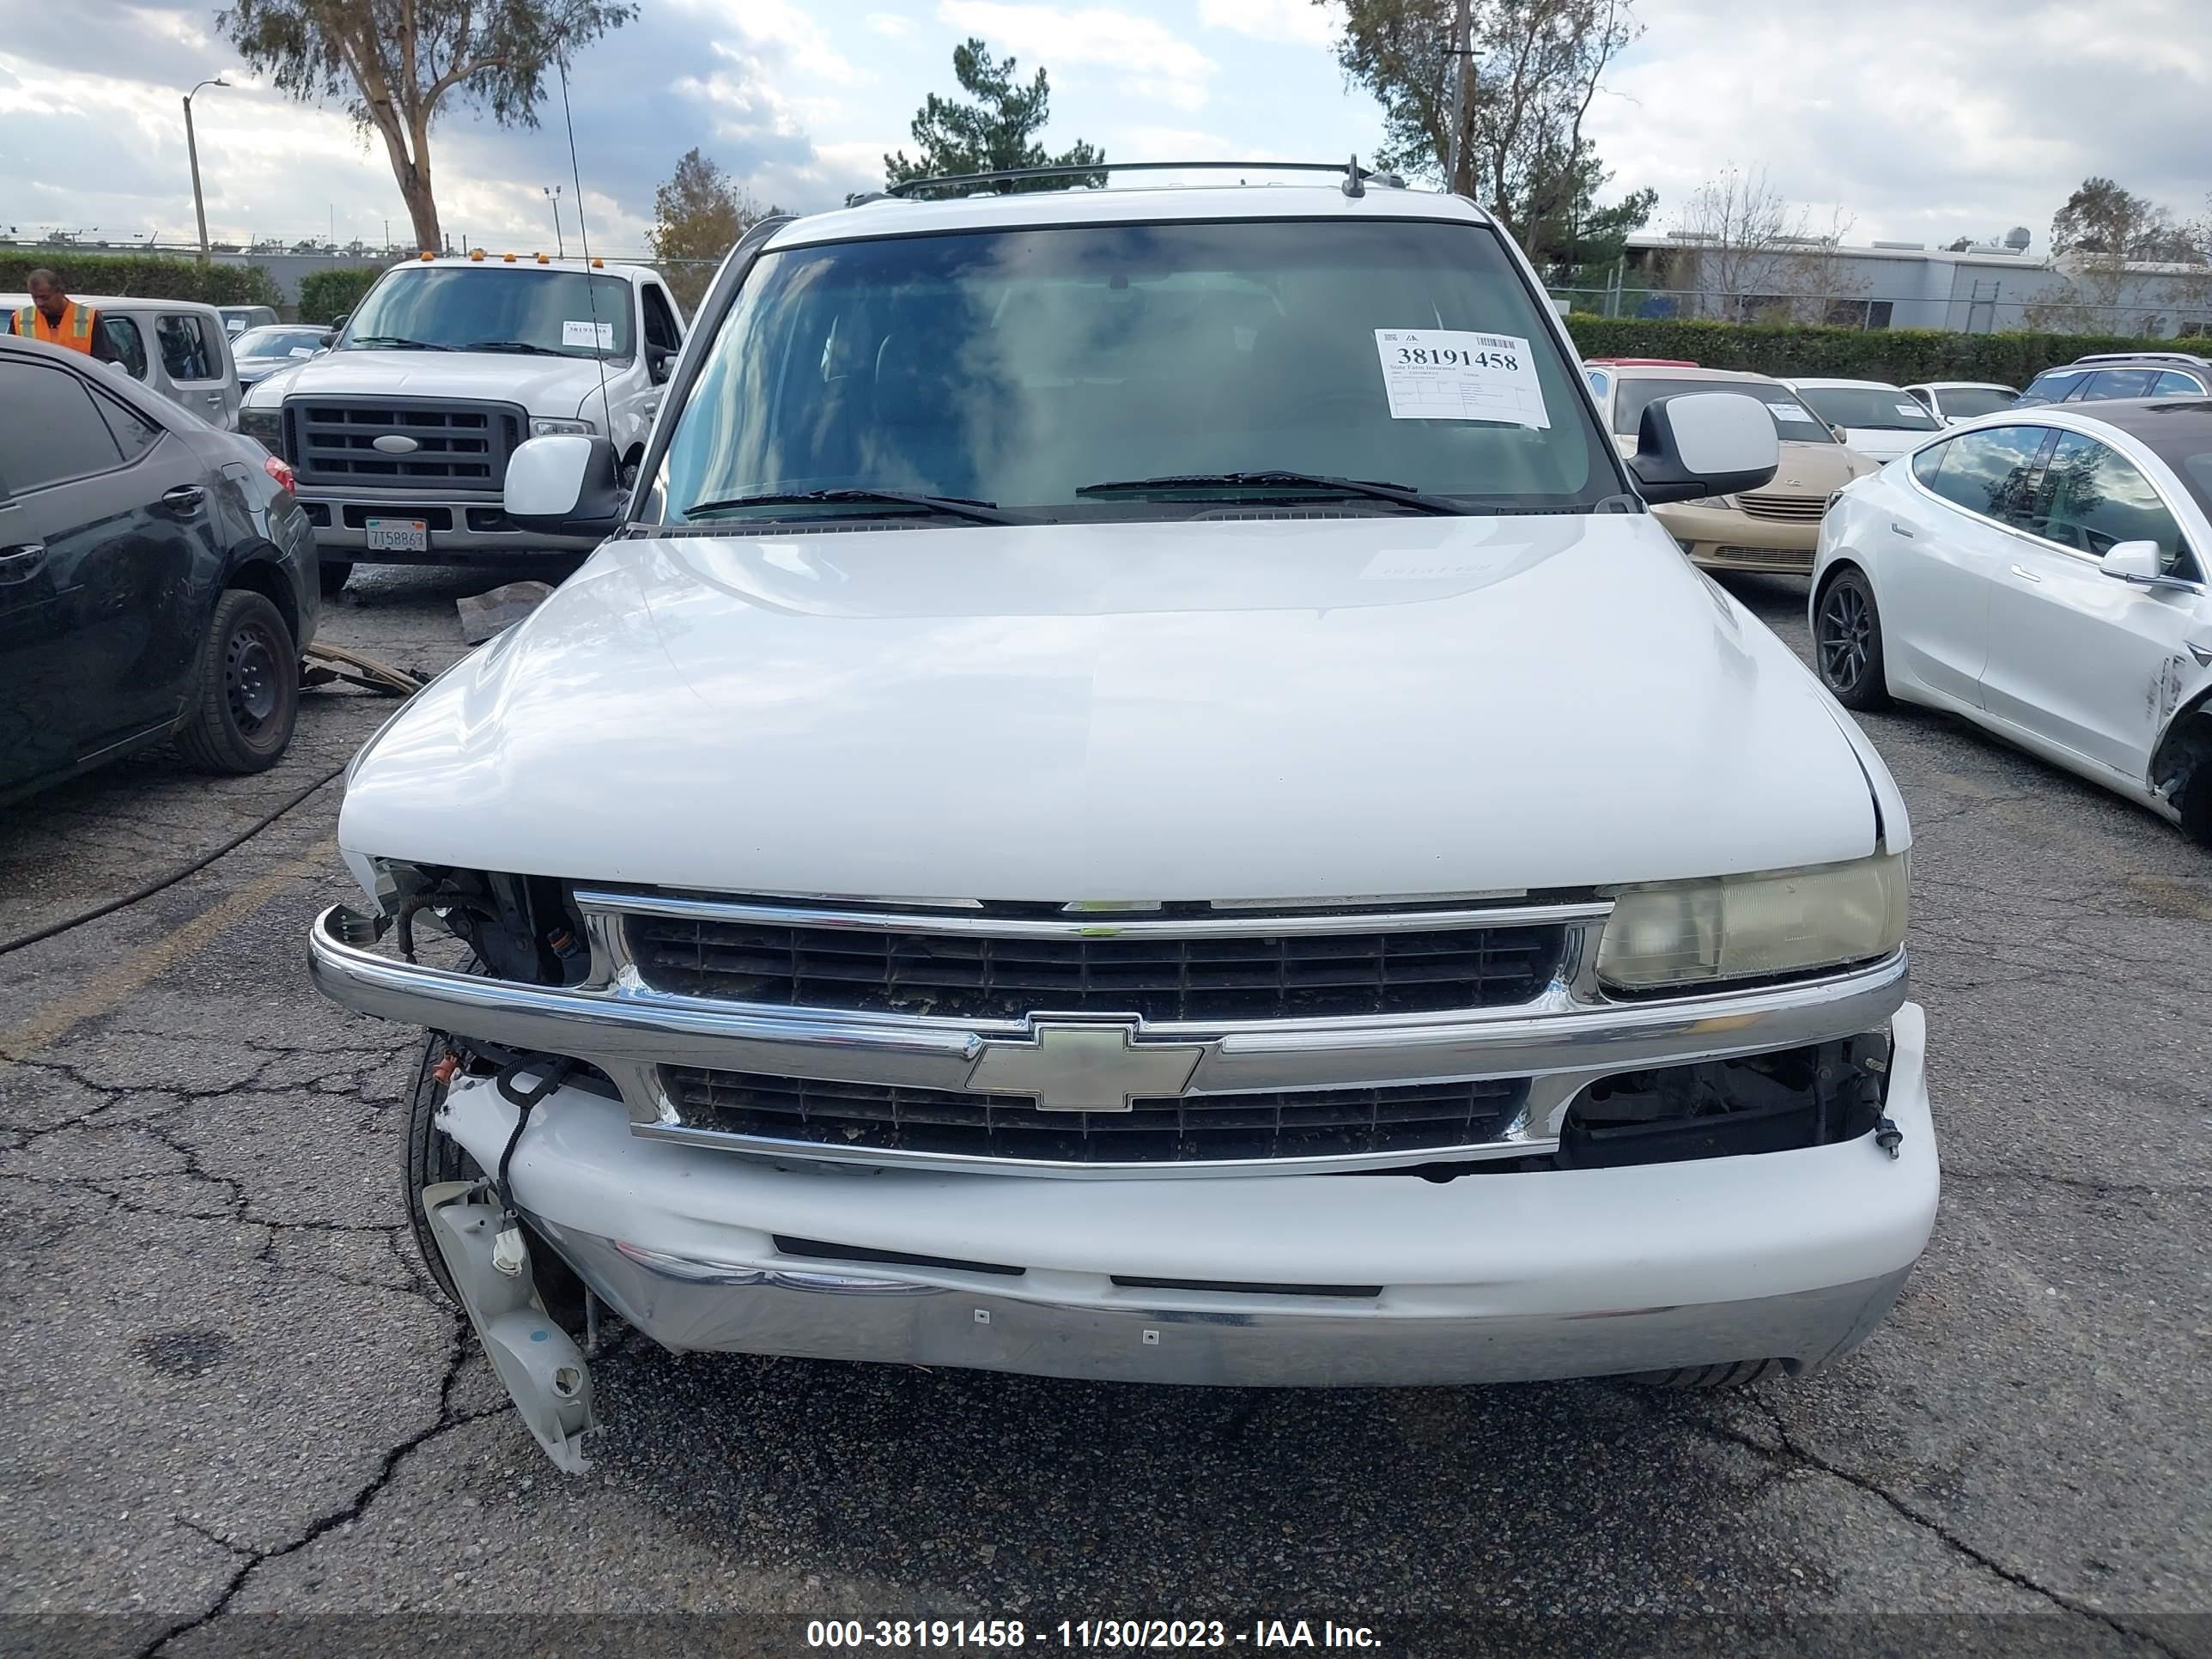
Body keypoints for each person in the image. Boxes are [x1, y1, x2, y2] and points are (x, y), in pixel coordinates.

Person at [9, 269, 118, 362]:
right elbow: (11, 360)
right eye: (34, 297)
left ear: (60, 292)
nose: (39, 303)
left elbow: (103, 362)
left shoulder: (89, 317)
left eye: (45, 298)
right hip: (33, 384)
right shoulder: (20, 319)